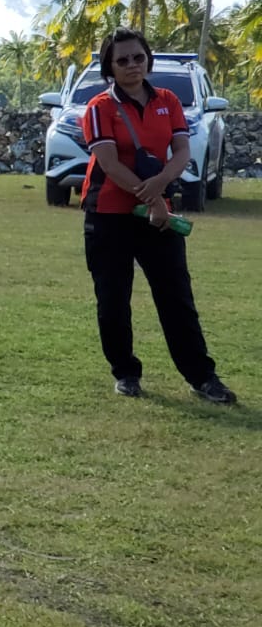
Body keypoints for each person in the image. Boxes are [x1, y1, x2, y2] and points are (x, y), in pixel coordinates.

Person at [79, 28, 234, 405]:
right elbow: (110, 164)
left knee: (176, 297)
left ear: (148, 59)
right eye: (122, 60)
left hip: (158, 213)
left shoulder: (168, 100)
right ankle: (126, 373)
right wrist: (153, 199)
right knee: (113, 300)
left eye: (138, 57)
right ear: (110, 67)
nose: (132, 65)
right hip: (109, 214)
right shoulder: (99, 107)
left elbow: (181, 152)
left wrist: (161, 187)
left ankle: (202, 377)